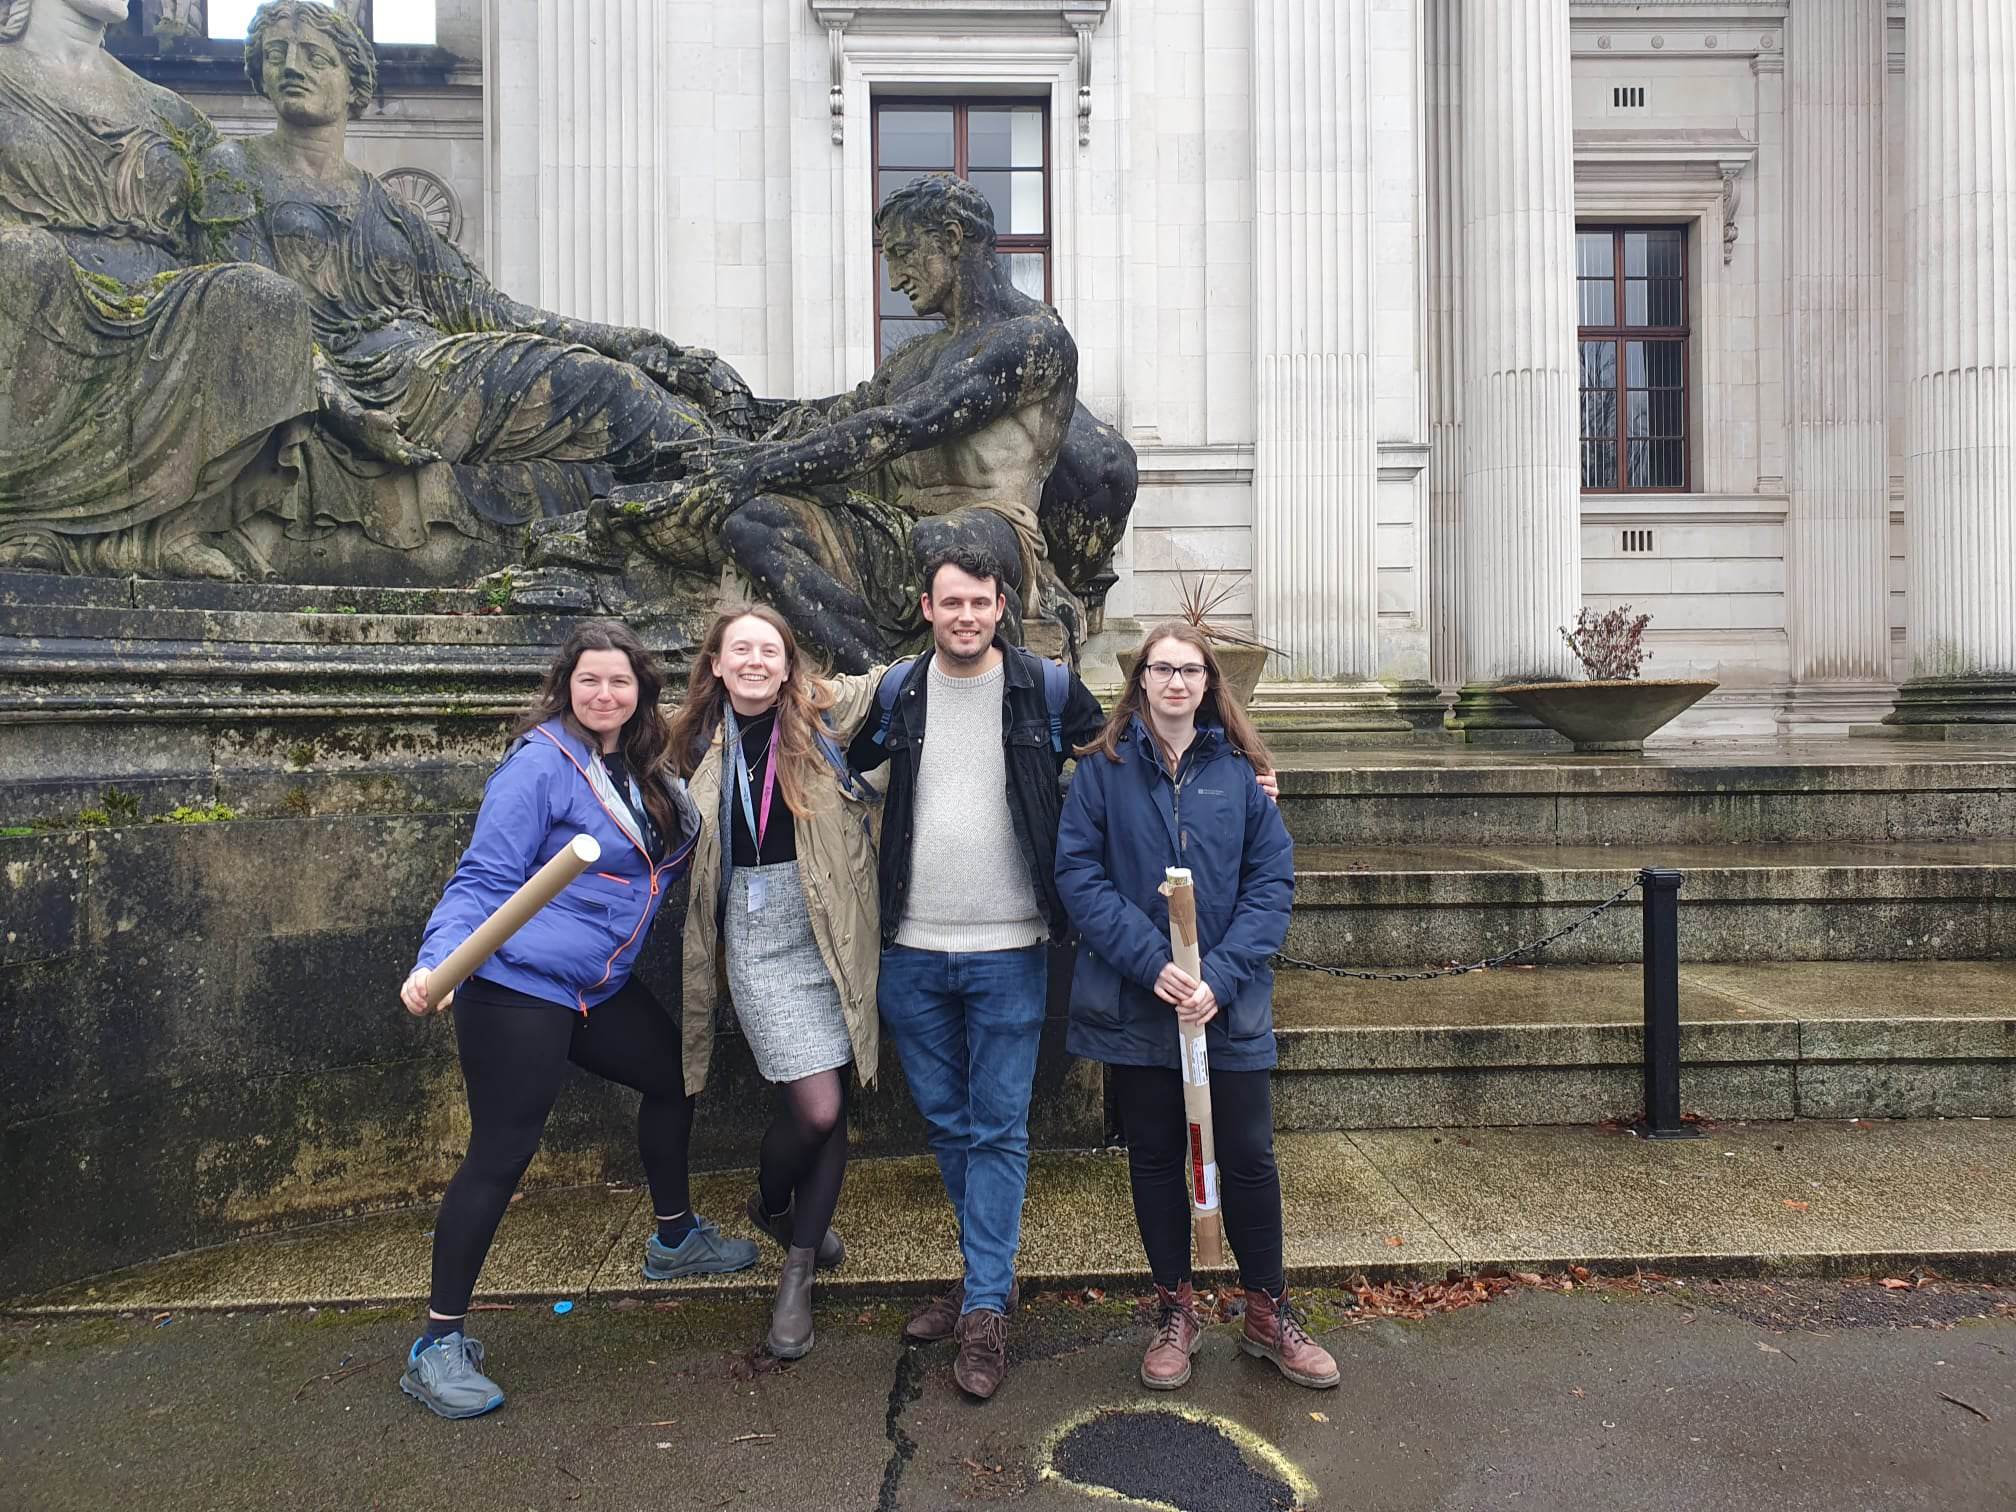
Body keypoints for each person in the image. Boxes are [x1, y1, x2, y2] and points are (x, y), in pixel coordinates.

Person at [847, 544, 1278, 1401]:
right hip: (911, 946)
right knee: (946, 1122)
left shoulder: (1044, 689)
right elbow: (831, 765)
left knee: (998, 1128)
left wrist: (1243, 776)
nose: (965, 616)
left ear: (1000, 606)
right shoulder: (897, 691)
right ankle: (987, 1278)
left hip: (1011, 945)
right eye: (950, 604)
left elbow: (1130, 758)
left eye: (979, 602)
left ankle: (983, 1311)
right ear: (927, 609)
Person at [396, 619, 757, 1420]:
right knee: (502, 1152)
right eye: (589, 681)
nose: (604, 694)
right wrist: (438, 960)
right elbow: (482, 875)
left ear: (640, 693)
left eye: (620, 682)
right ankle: (438, 1344)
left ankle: (673, 1240)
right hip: (518, 984)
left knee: (672, 1074)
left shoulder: (642, 763)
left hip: (599, 984)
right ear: (566, 687)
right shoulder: (539, 766)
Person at [1053, 622, 1338, 1393]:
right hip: (1141, 1006)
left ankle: (1266, 1310)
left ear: (1210, 685)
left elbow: (1270, 884)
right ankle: (1175, 1309)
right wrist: (1155, 967)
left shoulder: (1242, 774)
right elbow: (1079, 877)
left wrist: (1221, 976)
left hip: (1226, 1006)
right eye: (1161, 669)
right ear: (1140, 681)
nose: (1175, 682)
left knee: (1247, 1155)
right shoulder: (1102, 772)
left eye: (1190, 671)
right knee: (1153, 1156)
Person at [667, 604, 886, 1360]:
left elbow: (899, 681)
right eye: (741, 651)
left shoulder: (823, 716)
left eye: (771, 650)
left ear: (790, 665)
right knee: (816, 1106)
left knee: (835, 1094)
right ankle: (772, 1204)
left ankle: (796, 1269)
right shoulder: (689, 738)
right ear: (719, 664)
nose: (756, 662)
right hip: (757, 937)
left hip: (831, 922)